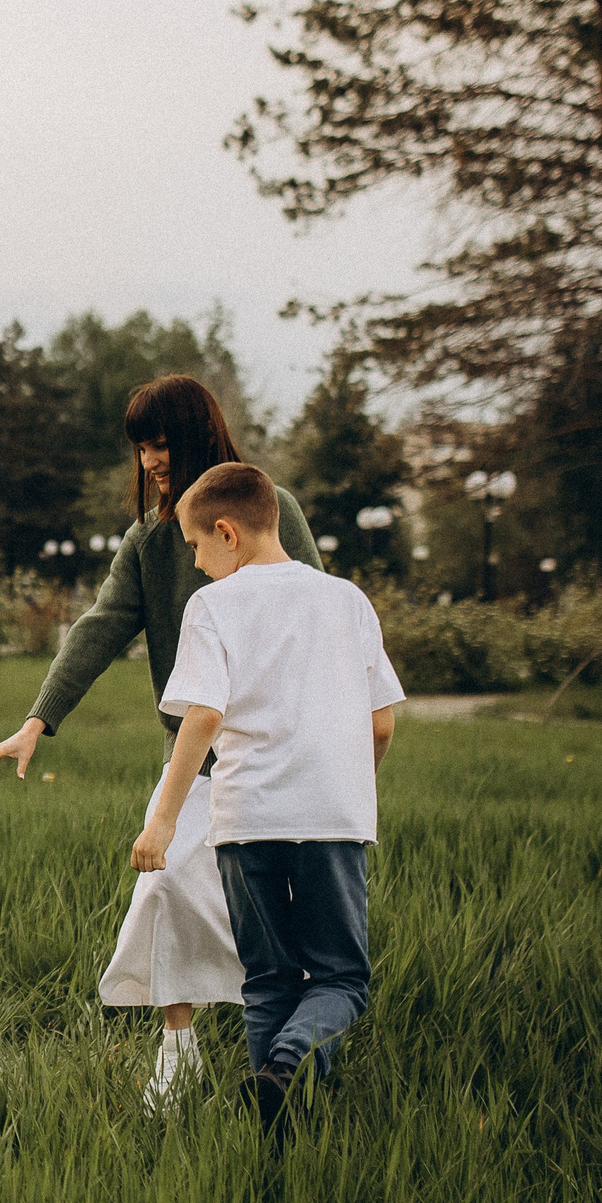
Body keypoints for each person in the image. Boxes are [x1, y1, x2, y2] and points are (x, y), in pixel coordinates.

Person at [0, 375, 325, 1112]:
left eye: (159, 442)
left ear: (197, 434)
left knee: (281, 911)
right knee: (165, 886)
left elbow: (316, 614)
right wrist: (39, 719)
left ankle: (293, 1060)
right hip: (191, 759)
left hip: (277, 754)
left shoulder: (274, 510)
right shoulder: (148, 540)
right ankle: (179, 1048)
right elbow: (100, 627)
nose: (150, 459)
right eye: (140, 446)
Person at [133, 462, 403, 1136]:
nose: (195, 563)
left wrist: (163, 821)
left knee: (268, 981)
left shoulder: (215, 606)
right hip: (331, 817)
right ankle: (289, 1065)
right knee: (340, 978)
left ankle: (273, 1127)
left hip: (246, 820)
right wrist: (349, 784)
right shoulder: (348, 600)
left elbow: (201, 717)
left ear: (228, 532)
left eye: (197, 546)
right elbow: (381, 723)